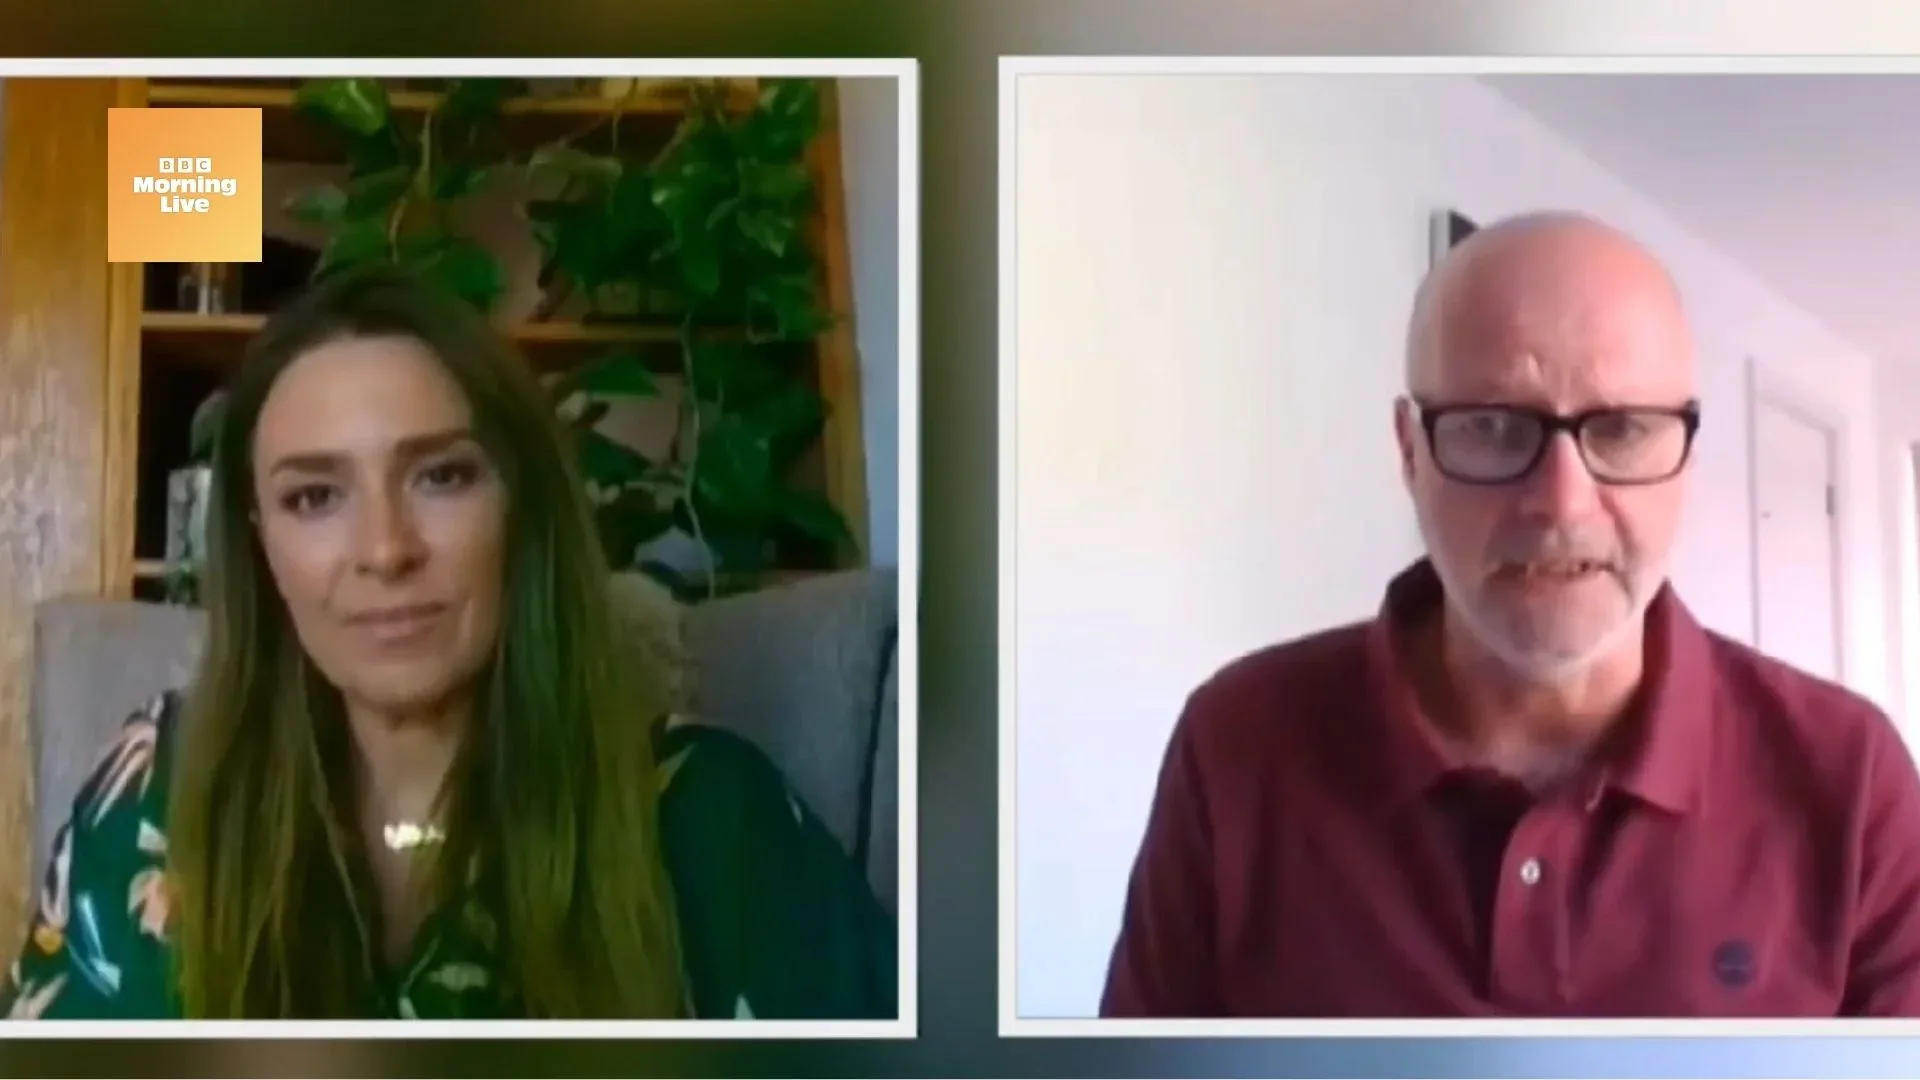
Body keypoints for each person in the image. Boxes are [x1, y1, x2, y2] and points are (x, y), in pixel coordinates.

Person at [0, 266, 896, 1020]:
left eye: (441, 476)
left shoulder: (711, 823)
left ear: (522, 508)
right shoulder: (152, 791)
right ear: (260, 542)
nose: (386, 549)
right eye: (315, 496)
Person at [1101, 212, 1920, 1018]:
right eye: (1492, 429)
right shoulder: (1238, 741)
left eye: (1624, 429)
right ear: (1409, 452)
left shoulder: (1850, 780)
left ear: (1687, 459)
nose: (1562, 505)